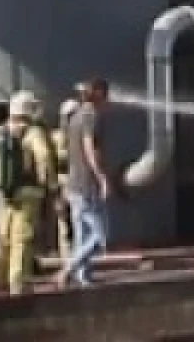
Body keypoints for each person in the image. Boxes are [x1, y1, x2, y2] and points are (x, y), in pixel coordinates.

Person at [0, 91, 55, 295]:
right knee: (22, 239)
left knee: (4, 237)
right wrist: (49, 183)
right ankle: (19, 284)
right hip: (28, 193)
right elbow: (43, 156)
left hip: (4, 193)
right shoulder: (33, 132)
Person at [57, 79, 116, 289]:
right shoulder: (91, 116)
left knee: (81, 234)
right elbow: (89, 149)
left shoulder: (75, 117)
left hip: (73, 184)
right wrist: (102, 178)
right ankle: (69, 269)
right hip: (86, 185)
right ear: (100, 95)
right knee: (101, 237)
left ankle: (83, 276)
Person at [50, 97, 79, 260]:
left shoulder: (84, 137)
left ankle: (78, 260)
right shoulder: (55, 138)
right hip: (63, 182)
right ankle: (68, 260)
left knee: (78, 223)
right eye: (70, 116)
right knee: (65, 224)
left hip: (79, 184)